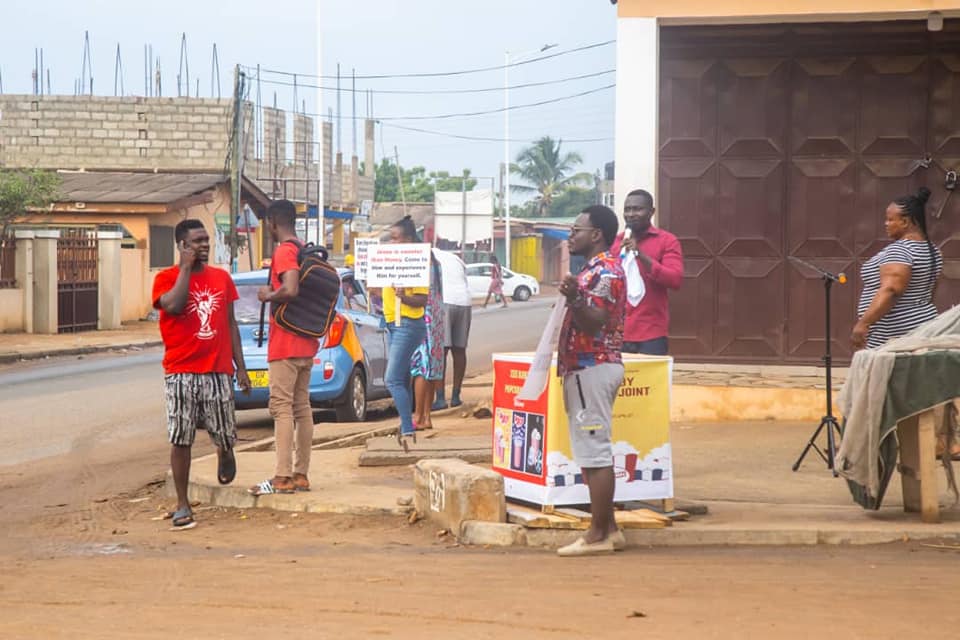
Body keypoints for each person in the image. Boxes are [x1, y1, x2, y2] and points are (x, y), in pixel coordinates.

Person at [152, 219, 251, 530]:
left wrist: (241, 367)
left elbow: (231, 324)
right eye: (197, 241)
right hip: (180, 370)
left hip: (217, 369)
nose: (204, 245)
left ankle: (225, 451)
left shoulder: (222, 278)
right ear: (182, 245)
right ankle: (182, 504)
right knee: (181, 437)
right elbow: (174, 306)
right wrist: (185, 268)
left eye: (206, 240)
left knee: (224, 430)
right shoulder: (165, 278)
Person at [556, 204, 627, 557]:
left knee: (595, 453)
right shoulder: (591, 270)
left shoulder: (606, 271)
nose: (570, 235)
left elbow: (595, 320)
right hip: (584, 369)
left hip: (593, 367)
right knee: (589, 451)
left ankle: (597, 535)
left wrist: (574, 297)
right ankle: (610, 529)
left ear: (596, 234)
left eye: (576, 229)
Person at [249, 200, 320, 496]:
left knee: (281, 408)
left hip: (286, 344)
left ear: (272, 223)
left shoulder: (284, 251)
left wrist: (268, 295)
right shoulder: (303, 249)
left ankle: (282, 477)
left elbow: (290, 289)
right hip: (306, 341)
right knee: (302, 407)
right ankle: (301, 474)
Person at [852, 187, 943, 351]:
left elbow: (891, 290)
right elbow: (931, 287)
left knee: (887, 367)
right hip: (923, 323)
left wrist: (864, 323)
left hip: (894, 333)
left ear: (905, 222)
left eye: (890, 219)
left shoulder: (900, 251)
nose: (886, 224)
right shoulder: (932, 250)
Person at [610, 189, 683, 355]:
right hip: (617, 332)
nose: (631, 214)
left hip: (651, 333)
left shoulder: (667, 241)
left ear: (652, 212)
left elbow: (675, 280)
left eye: (637, 209)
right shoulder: (615, 243)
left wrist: (640, 255)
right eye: (627, 209)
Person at [382, 216, 429, 450]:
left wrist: (404, 296)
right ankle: (406, 425)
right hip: (394, 323)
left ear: (408, 240)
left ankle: (408, 428)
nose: (391, 243)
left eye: (395, 238)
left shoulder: (416, 263)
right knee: (400, 378)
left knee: (392, 379)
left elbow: (422, 299)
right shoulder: (391, 263)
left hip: (408, 323)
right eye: (390, 239)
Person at [431, 248, 472, 410]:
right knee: (459, 350)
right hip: (464, 302)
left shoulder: (428, 256)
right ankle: (455, 397)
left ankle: (440, 398)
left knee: (441, 351)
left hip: (446, 301)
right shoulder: (455, 258)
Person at [410, 254, 445, 430]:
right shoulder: (436, 265)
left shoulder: (419, 264)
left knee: (421, 369)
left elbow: (418, 298)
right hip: (436, 321)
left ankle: (418, 416)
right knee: (431, 370)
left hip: (424, 319)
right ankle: (427, 417)